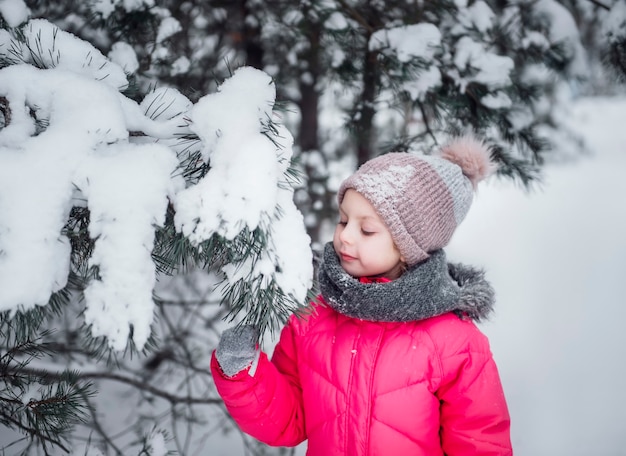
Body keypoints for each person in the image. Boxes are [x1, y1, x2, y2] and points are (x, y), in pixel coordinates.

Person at [210, 135, 513, 455]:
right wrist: (245, 375)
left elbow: (480, 442)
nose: (345, 237)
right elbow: (290, 420)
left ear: (410, 246)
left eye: (366, 230)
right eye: (343, 220)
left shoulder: (454, 342)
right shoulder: (313, 316)